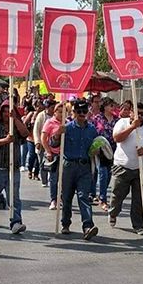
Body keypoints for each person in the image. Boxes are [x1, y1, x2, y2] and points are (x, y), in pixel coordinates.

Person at [109, 102, 143, 235]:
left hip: (141, 168)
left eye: (142, 114)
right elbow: (117, 138)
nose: (140, 116)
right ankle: (113, 213)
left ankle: (138, 225)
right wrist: (132, 127)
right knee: (117, 195)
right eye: (137, 113)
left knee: (140, 198)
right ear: (130, 113)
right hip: (122, 167)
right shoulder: (122, 123)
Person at [0, 100, 30, 234]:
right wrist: (5, 140)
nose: (6, 114)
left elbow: (25, 133)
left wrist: (14, 119)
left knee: (14, 197)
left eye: (8, 111)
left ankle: (16, 222)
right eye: (3, 111)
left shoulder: (16, 125)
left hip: (13, 167)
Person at [57, 99, 99, 239]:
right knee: (67, 196)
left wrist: (97, 150)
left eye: (84, 111)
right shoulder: (67, 127)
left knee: (83, 196)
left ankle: (87, 226)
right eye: (79, 111)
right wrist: (58, 133)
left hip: (85, 166)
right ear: (73, 112)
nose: (82, 114)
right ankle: (65, 223)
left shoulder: (92, 129)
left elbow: (96, 145)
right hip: (69, 165)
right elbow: (53, 143)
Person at [92, 97, 119, 211]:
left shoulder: (117, 119)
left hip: (113, 149)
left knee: (108, 173)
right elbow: (93, 132)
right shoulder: (97, 118)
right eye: (110, 105)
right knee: (102, 172)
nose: (112, 107)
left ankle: (101, 194)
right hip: (101, 148)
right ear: (104, 107)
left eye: (113, 105)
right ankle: (103, 198)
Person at [41, 103, 64, 210]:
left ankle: (62, 198)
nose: (61, 114)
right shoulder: (50, 122)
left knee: (64, 178)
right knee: (54, 178)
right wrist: (48, 151)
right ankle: (53, 200)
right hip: (54, 153)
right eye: (59, 111)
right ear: (55, 112)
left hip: (64, 153)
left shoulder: (66, 122)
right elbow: (43, 137)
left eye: (63, 112)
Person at [33, 99, 56, 187]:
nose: (53, 109)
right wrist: (37, 142)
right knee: (42, 162)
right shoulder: (41, 115)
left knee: (53, 161)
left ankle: (52, 179)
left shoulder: (56, 116)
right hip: (42, 143)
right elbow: (36, 129)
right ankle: (44, 180)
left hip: (53, 144)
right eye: (52, 107)